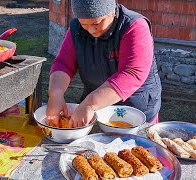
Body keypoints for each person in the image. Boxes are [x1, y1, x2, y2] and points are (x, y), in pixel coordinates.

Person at [46, 0, 162, 128]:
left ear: (111, 11)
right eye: (84, 23)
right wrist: (55, 93)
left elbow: (131, 73)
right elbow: (63, 63)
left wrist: (89, 104)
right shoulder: (76, 28)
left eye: (96, 23)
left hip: (135, 108)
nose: (91, 30)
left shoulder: (134, 26)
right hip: (96, 107)